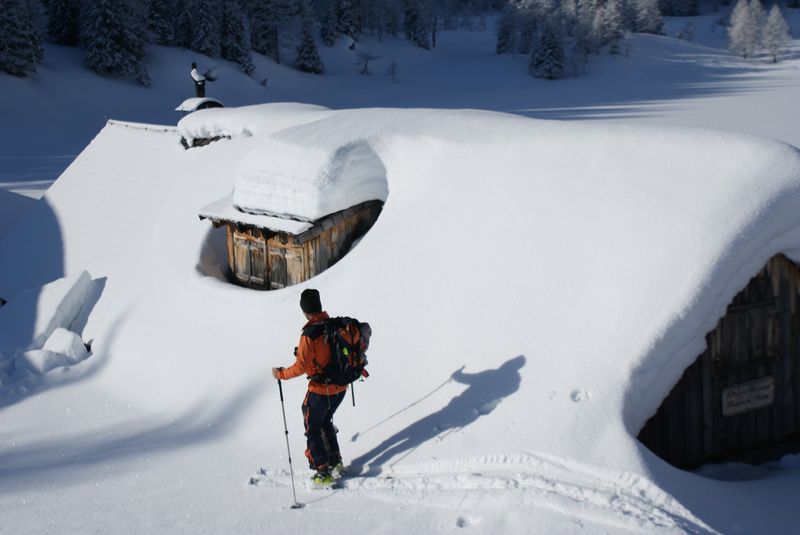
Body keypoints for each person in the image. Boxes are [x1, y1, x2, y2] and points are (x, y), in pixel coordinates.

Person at [272, 289, 347, 487]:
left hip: (322, 389)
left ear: (305, 311)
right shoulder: (333, 325)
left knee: (312, 426)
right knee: (324, 421)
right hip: (341, 387)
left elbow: (300, 367)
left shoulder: (310, 334)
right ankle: (336, 461)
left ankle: (323, 472)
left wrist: (280, 374)